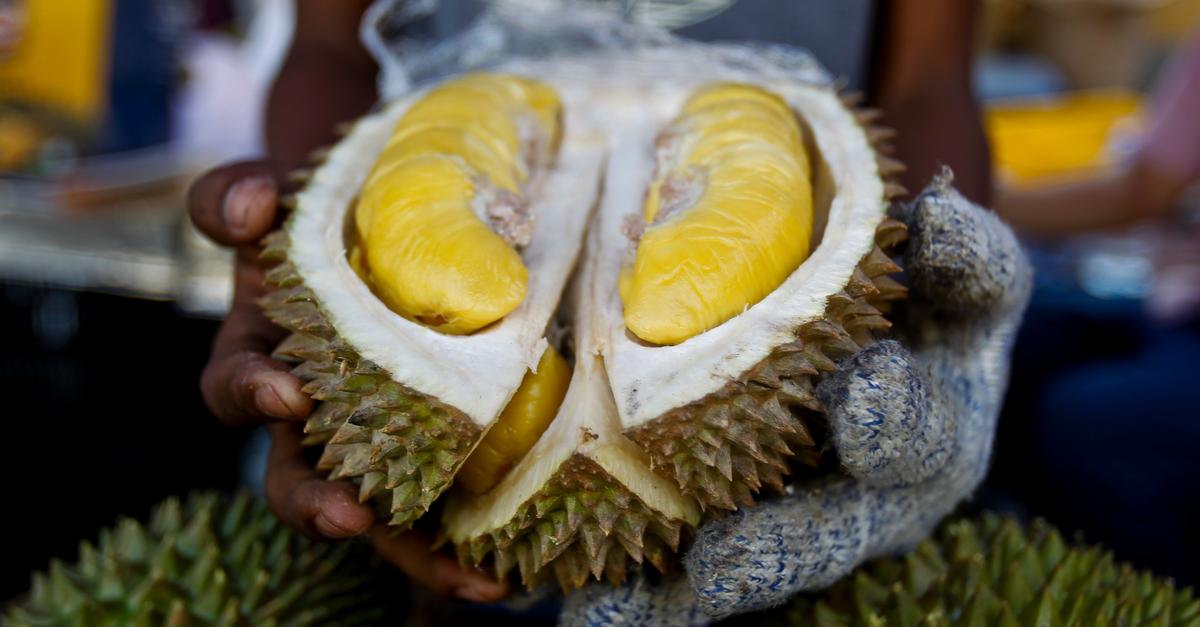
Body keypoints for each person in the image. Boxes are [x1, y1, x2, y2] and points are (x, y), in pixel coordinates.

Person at [187, 0, 990, 603]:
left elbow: (928, 79)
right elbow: (329, 41)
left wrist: (937, 318)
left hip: (780, 465)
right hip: (396, 521)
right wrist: (298, 234)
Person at [988, 29, 1200, 585]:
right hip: (1173, 303)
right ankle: (1007, 553)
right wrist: (962, 197)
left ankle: (1158, 594)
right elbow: (1144, 188)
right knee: (999, 340)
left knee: (1089, 422)